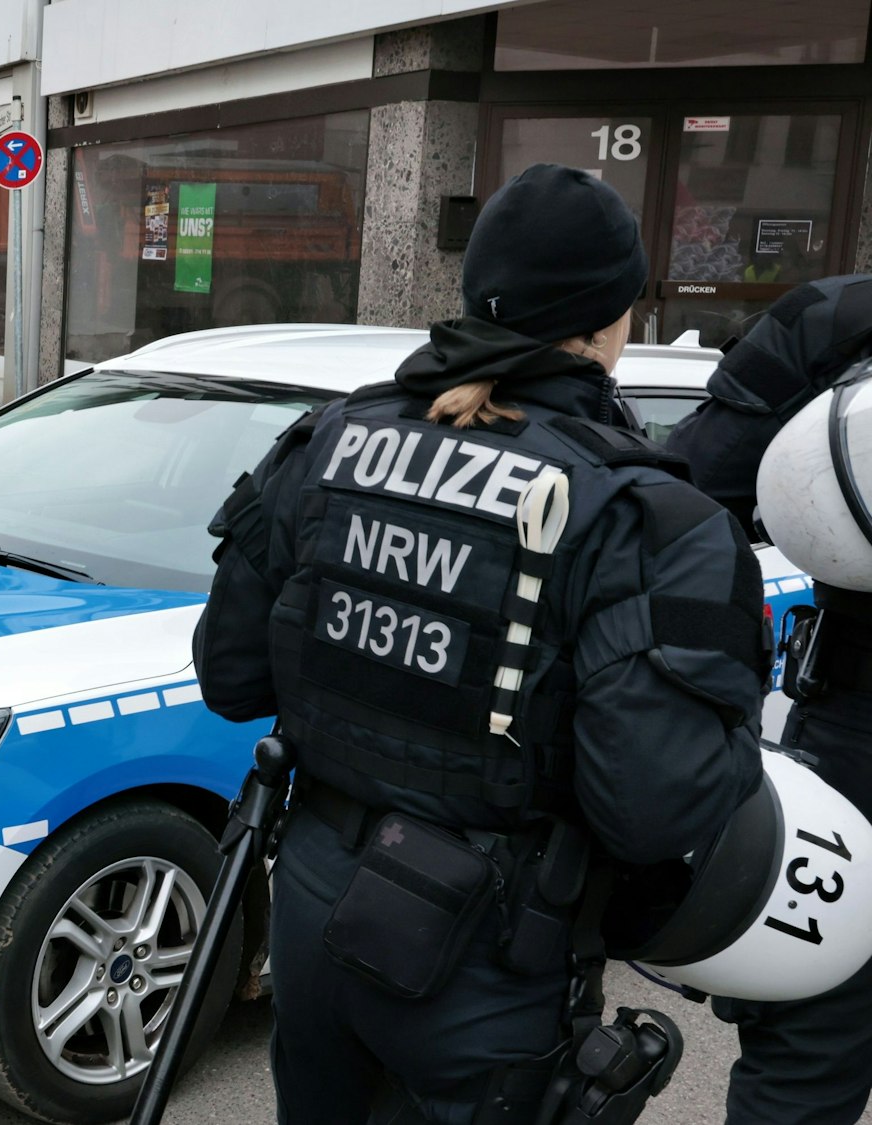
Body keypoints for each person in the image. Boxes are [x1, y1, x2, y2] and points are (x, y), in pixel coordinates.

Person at [198, 163, 768, 1123]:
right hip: (490, 957)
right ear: (603, 323)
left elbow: (231, 673)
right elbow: (652, 809)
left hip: (312, 905)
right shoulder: (643, 516)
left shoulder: (329, 439)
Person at [665, 275, 872, 1125]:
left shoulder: (836, 316)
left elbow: (687, 494)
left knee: (808, 1045)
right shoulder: (836, 318)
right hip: (853, 728)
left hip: (852, 742)